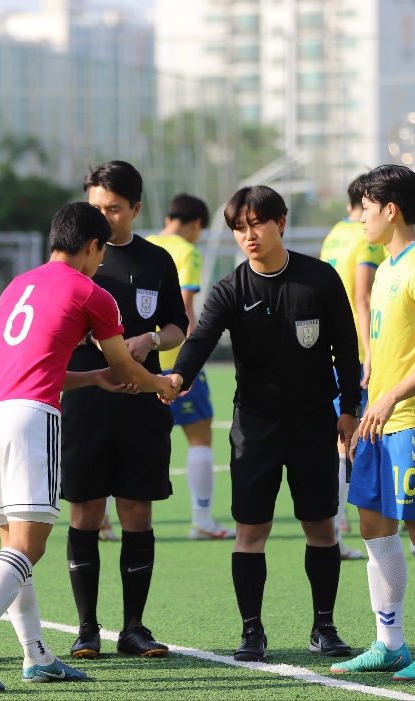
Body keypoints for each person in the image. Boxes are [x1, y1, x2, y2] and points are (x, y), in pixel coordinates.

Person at [0, 202, 180, 691]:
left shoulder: (17, 286)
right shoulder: (91, 292)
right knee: (29, 546)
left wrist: (91, 378)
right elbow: (127, 367)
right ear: (92, 246)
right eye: (100, 253)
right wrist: (162, 383)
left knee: (13, 545)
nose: (101, 262)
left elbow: (32, 366)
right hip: (31, 422)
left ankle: (36, 656)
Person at [168, 185, 359, 663]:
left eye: (256, 224)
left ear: (281, 223)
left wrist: (349, 409)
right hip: (255, 427)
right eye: (239, 227)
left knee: (322, 527)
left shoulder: (320, 279)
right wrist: (177, 377)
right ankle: (252, 631)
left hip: (313, 422)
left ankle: (324, 626)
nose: (248, 235)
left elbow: (346, 347)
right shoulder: (230, 289)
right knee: (250, 531)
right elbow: (200, 339)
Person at [332, 164, 415, 681]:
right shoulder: (385, 266)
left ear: (391, 209)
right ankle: (389, 644)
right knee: (373, 528)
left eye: (366, 208)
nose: (360, 218)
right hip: (377, 422)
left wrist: (390, 397)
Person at [64, 161, 189, 660]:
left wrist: (150, 339)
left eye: (113, 208)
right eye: (95, 206)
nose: (103, 216)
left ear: (136, 208)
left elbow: (179, 326)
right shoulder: (72, 260)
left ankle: (133, 628)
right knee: (87, 511)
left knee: (136, 511)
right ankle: (86, 629)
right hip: (86, 401)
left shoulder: (156, 260)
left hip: (141, 402)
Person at [145, 193, 233, 540]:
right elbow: (184, 311)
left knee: (125, 437)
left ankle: (102, 520)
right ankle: (202, 519)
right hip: (173, 361)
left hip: (136, 359)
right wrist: (189, 365)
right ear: (196, 224)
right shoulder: (187, 251)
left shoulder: (144, 244)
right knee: (199, 434)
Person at [318, 174, 384, 560]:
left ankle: (336, 532)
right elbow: (363, 297)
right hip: (355, 351)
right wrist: (371, 350)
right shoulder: (365, 237)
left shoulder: (334, 234)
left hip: (328, 349)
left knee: (341, 442)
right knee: (355, 441)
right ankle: (341, 535)